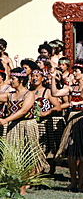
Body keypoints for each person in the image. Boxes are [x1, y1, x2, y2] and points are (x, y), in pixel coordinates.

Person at [0, 67, 49, 195]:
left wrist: (6, 120)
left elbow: (23, 111)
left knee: (26, 155)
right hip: (13, 128)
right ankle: (15, 185)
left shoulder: (29, 94)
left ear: (21, 80)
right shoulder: (9, 95)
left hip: (27, 126)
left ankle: (24, 186)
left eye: (13, 79)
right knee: (13, 156)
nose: (11, 81)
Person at [51, 61, 83, 192]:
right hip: (72, 119)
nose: (74, 73)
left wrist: (78, 102)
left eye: (77, 71)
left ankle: (82, 181)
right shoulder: (72, 87)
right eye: (74, 70)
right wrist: (53, 78)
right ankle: (73, 181)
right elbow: (55, 93)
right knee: (71, 152)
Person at [30, 68, 63, 176]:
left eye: (37, 76)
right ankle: (36, 170)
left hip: (44, 123)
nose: (34, 78)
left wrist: (47, 112)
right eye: (32, 76)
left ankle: (50, 169)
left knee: (47, 147)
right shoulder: (28, 91)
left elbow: (58, 106)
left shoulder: (47, 91)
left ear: (42, 78)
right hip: (32, 123)